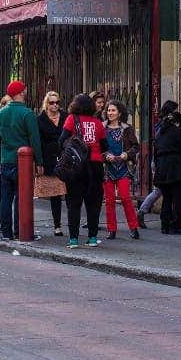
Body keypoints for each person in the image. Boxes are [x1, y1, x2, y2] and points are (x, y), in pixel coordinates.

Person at [0, 80, 43, 240]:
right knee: (22, 197)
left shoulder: (0, 114)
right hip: (23, 163)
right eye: (25, 89)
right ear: (20, 92)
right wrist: (39, 162)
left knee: (6, 197)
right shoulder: (27, 114)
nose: (26, 91)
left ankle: (6, 232)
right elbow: (35, 139)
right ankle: (21, 231)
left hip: (6, 160)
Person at [61, 93, 107, 248]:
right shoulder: (98, 122)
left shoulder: (71, 119)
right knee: (93, 203)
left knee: (74, 203)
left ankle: (73, 239)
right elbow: (105, 146)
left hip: (76, 166)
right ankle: (92, 238)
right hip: (95, 165)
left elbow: (62, 140)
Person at [102, 100, 140, 240]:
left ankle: (134, 228)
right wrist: (106, 155)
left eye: (113, 110)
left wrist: (127, 154)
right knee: (109, 200)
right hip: (107, 168)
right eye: (108, 110)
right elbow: (97, 148)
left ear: (120, 113)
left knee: (125, 198)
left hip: (124, 167)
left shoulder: (127, 129)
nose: (110, 113)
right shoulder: (102, 128)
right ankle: (111, 230)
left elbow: (136, 147)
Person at [137, 100, 178, 227]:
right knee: (159, 190)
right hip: (161, 161)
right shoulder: (164, 125)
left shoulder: (159, 124)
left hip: (158, 160)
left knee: (161, 190)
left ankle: (144, 212)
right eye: (175, 110)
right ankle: (141, 211)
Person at [154, 111, 181, 235]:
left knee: (167, 197)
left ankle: (164, 225)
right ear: (177, 122)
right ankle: (176, 226)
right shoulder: (178, 132)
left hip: (162, 168)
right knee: (178, 198)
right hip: (175, 168)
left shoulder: (160, 133)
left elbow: (155, 152)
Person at [38, 90, 67, 236]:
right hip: (49, 158)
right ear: (46, 104)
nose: (55, 105)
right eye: (52, 102)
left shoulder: (66, 117)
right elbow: (38, 142)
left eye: (57, 102)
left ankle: (73, 224)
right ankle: (57, 226)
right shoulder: (41, 119)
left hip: (66, 158)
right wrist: (39, 162)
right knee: (55, 194)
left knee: (70, 192)